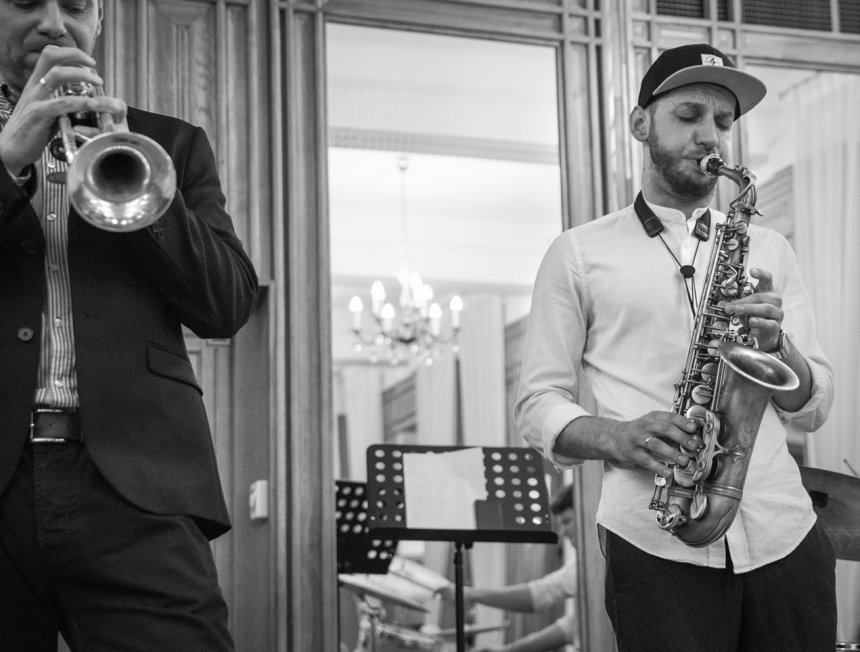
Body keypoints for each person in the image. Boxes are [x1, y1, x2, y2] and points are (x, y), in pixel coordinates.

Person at [514, 43, 835, 652]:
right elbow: (537, 402)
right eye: (689, 116)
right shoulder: (578, 253)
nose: (710, 136)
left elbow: (814, 405)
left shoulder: (770, 248)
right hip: (655, 541)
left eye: (723, 122)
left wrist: (780, 348)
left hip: (785, 536)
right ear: (641, 124)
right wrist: (617, 437)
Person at [0, 2, 258, 651]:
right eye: (26, 1)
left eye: (75, 5)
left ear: (101, 19)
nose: (54, 23)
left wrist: (147, 193)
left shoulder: (171, 143)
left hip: (141, 488)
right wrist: (5, 166)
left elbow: (227, 305)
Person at [437, 483, 579, 652]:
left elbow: (538, 595)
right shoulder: (582, 564)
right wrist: (507, 650)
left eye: (567, 521)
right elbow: (570, 627)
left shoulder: (591, 564)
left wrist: (470, 594)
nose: (563, 532)